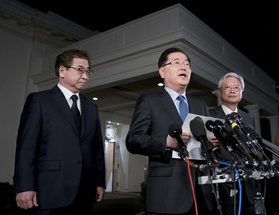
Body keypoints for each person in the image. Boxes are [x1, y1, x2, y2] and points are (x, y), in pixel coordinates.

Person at [13, 49, 106, 215]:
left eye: (88, 71)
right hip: (48, 192)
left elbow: (97, 149)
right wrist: (25, 186)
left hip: (84, 193)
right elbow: (26, 148)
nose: (85, 76)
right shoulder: (39, 101)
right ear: (62, 70)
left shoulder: (91, 108)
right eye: (80, 70)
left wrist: (99, 182)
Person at [125, 47, 213, 215]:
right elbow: (133, 140)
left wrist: (213, 143)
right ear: (162, 71)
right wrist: (165, 142)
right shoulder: (149, 101)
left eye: (187, 64)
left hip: (201, 193)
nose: (184, 67)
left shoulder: (200, 104)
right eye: (177, 62)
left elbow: (208, 147)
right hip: (166, 194)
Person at [209, 72, 258, 215]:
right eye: (228, 87)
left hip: (247, 185)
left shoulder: (249, 118)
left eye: (236, 88)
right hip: (221, 187)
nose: (232, 90)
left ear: (241, 92)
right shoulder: (209, 115)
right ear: (219, 92)